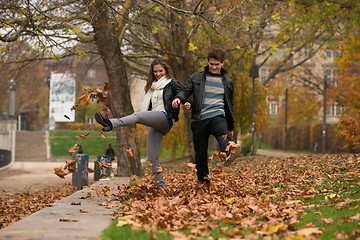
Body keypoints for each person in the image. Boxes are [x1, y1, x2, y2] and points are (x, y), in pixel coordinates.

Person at [95, 58, 186, 190]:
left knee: (137, 115)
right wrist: (139, 120)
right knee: (152, 158)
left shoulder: (172, 83)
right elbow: (148, 109)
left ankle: (111, 123)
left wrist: (184, 101)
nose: (158, 73)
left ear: (166, 70)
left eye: (161, 71)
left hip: (166, 117)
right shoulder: (152, 87)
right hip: (156, 122)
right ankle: (161, 188)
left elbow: (182, 93)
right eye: (155, 71)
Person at [172, 49, 241, 185]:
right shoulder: (196, 77)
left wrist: (231, 126)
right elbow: (186, 91)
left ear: (222, 63)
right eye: (211, 64)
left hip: (218, 115)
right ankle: (203, 181)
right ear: (208, 62)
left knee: (223, 135)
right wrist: (178, 99)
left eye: (217, 64)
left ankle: (228, 155)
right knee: (200, 154)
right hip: (199, 119)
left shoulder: (228, 82)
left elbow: (229, 106)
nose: (214, 67)